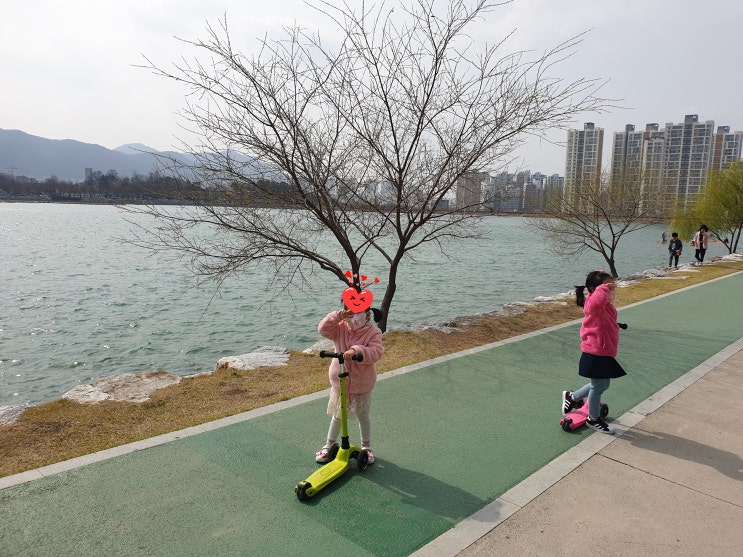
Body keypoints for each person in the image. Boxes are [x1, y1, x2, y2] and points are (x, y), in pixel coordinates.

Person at [315, 303, 384, 464]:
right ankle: (329, 445)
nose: (354, 318)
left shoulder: (373, 332)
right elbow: (323, 330)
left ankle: (366, 447)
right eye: (351, 313)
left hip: (362, 383)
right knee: (338, 415)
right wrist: (337, 316)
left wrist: (357, 351)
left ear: (368, 315)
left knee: (363, 415)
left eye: (359, 313)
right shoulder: (340, 327)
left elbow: (376, 351)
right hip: (341, 381)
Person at [562, 270, 626, 434]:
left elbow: (603, 322)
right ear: (597, 290)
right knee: (598, 386)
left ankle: (573, 397)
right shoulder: (593, 303)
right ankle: (593, 419)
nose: (612, 290)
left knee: (602, 384)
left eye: (612, 287)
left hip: (604, 351)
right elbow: (595, 305)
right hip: (595, 351)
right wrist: (603, 289)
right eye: (607, 287)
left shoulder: (606, 306)